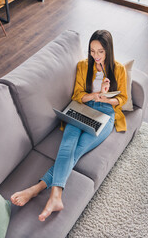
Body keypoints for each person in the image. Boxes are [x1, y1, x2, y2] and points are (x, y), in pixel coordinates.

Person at [10, 29, 128, 222]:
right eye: (92, 51)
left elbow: (122, 99)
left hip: (105, 114)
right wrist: (94, 95)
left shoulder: (119, 69)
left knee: (78, 150)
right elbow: (77, 95)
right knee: (67, 146)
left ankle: (37, 189)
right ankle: (55, 196)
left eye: (100, 52)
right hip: (81, 108)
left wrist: (105, 97)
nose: (95, 56)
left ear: (108, 50)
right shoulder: (83, 66)